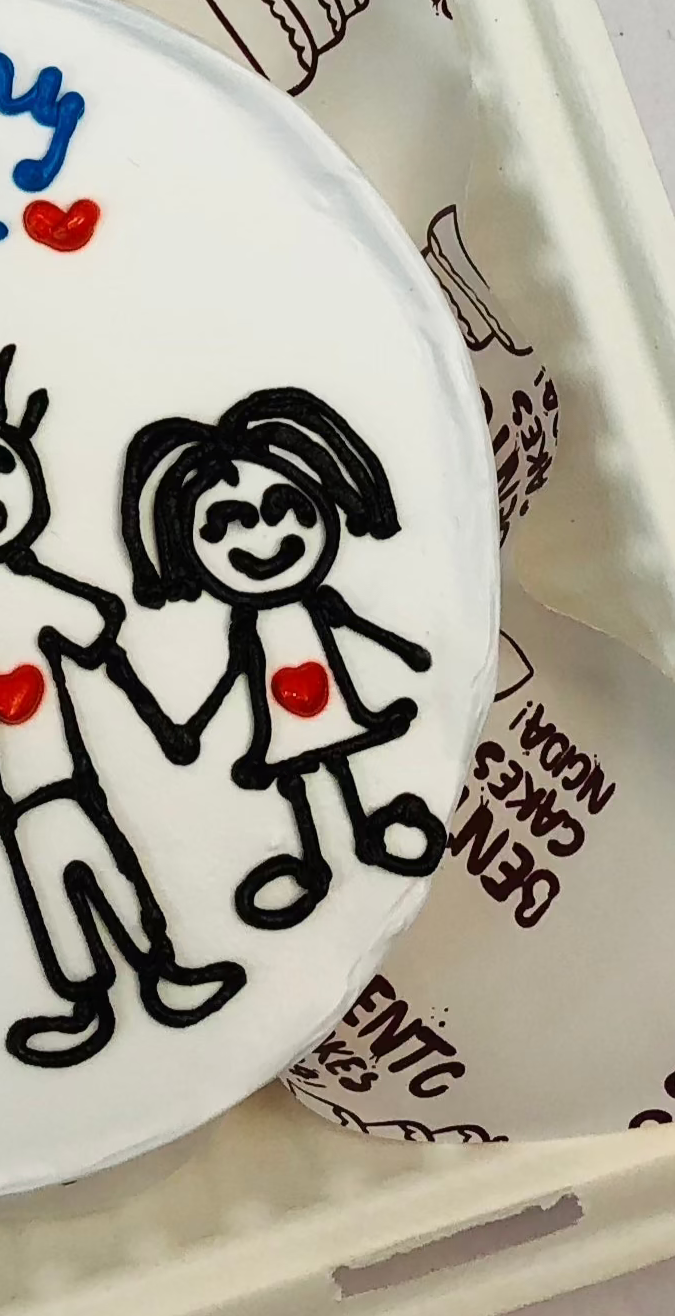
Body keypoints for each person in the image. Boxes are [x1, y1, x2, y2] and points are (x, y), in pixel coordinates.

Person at [0, 347, 245, 1067]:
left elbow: (107, 657)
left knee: (108, 865)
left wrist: (164, 725)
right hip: (14, 798)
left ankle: (162, 971)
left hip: (71, 780)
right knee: (52, 892)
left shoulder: (35, 590)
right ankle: (84, 1002)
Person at [118, 383, 447, 929]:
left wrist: (405, 650)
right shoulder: (251, 624)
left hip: (334, 707)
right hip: (287, 722)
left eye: (283, 510)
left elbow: (354, 624)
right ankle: (313, 861)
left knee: (337, 763)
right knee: (298, 775)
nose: (267, 537)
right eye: (228, 527)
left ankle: (366, 831)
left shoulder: (315, 603)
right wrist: (197, 721)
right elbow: (234, 672)